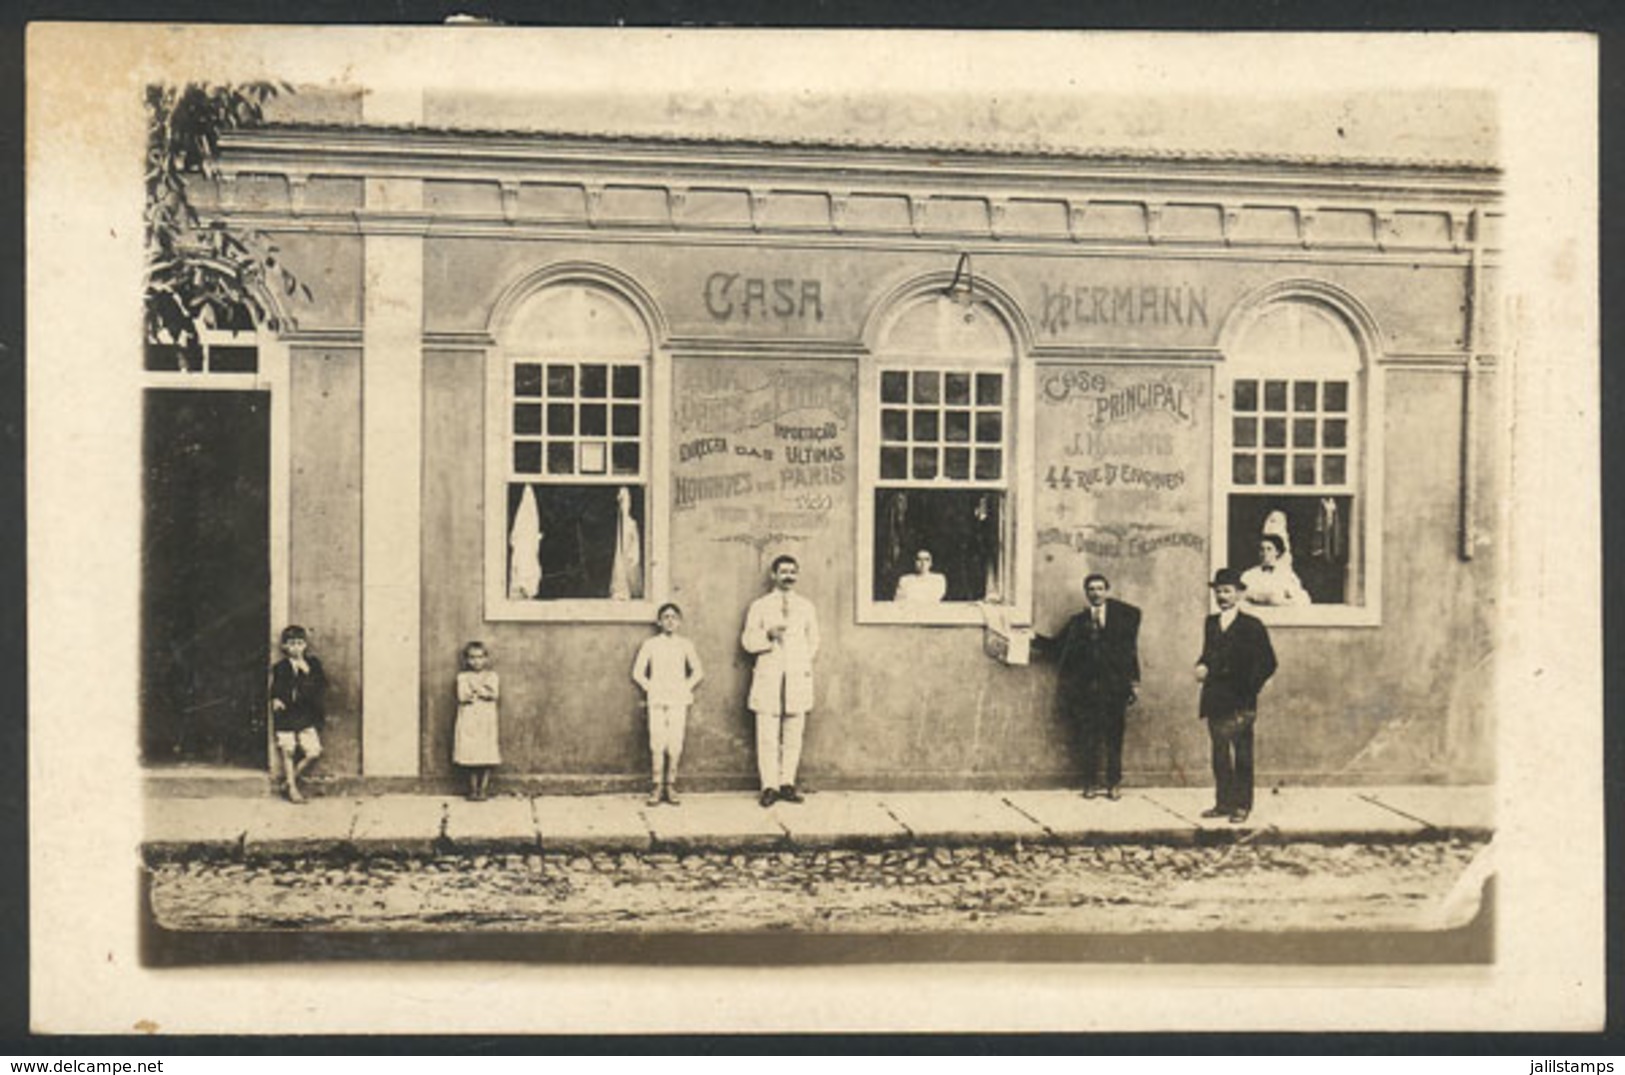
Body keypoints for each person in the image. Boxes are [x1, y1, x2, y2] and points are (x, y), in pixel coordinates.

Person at [1036, 573, 1141, 799]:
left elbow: (1131, 647)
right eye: (1091, 589)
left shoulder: (1122, 618)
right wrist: (1030, 637)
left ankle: (1114, 783)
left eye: (1100, 588)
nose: (1095, 593)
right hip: (1088, 690)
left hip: (1115, 688)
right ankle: (1091, 783)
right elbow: (1055, 646)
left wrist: (1133, 682)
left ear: (1107, 591)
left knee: (1114, 738)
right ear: (1086, 593)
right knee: (1088, 738)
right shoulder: (1078, 622)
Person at [1194, 568, 1278, 824]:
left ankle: (1242, 805)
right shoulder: (1211, 623)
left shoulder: (1252, 626)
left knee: (1242, 754)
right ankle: (1223, 803)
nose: (1222, 596)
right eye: (1218, 591)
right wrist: (1201, 665)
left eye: (1227, 591)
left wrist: (1248, 689)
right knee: (1219, 754)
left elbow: (1268, 662)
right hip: (1215, 698)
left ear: (1239, 594)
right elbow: (1207, 655)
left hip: (1241, 701)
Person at [741, 554, 820, 807]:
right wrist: (768, 634)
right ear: (773, 575)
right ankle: (770, 786)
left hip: (797, 676)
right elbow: (748, 642)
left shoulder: (806, 606)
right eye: (783, 571)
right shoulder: (760, 606)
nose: (788, 576)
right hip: (769, 674)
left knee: (794, 733)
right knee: (767, 735)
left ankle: (787, 783)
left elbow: (814, 641)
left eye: (792, 572)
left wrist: (798, 662)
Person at [632, 603, 705, 806]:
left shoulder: (685, 645)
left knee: (675, 742)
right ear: (659, 621)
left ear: (679, 622)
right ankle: (656, 785)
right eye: (665, 617)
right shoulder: (651, 644)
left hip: (678, 699)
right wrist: (651, 688)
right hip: (656, 700)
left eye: (674, 617)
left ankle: (670, 785)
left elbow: (698, 671)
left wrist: (685, 687)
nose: (670, 621)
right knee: (657, 741)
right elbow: (638, 673)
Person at [268, 625, 328, 805]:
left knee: (313, 751)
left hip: (305, 714)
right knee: (288, 750)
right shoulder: (281, 667)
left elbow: (322, 685)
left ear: (305, 645)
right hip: (287, 714)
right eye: (291, 644)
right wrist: (276, 699)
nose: (296, 647)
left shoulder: (313, 664)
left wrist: (307, 671)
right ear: (285, 647)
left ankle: (289, 780)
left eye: (300, 643)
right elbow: (275, 688)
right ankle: (293, 789)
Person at [454, 641, 502, 801]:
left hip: (485, 720)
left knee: (486, 753)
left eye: (480, 657)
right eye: (472, 658)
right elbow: (463, 696)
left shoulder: (492, 676)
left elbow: (493, 694)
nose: (476, 661)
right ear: (467, 660)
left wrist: (477, 691)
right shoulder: (462, 677)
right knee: (471, 754)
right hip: (469, 719)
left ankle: (483, 789)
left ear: (486, 659)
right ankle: (473, 789)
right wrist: (481, 692)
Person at [1240, 533, 1310, 607]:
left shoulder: (1286, 575)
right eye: (1261, 549)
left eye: (1269, 549)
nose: (1265, 553)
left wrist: (1279, 602)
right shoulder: (1249, 575)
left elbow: (1304, 600)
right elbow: (1239, 599)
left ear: (1277, 552)